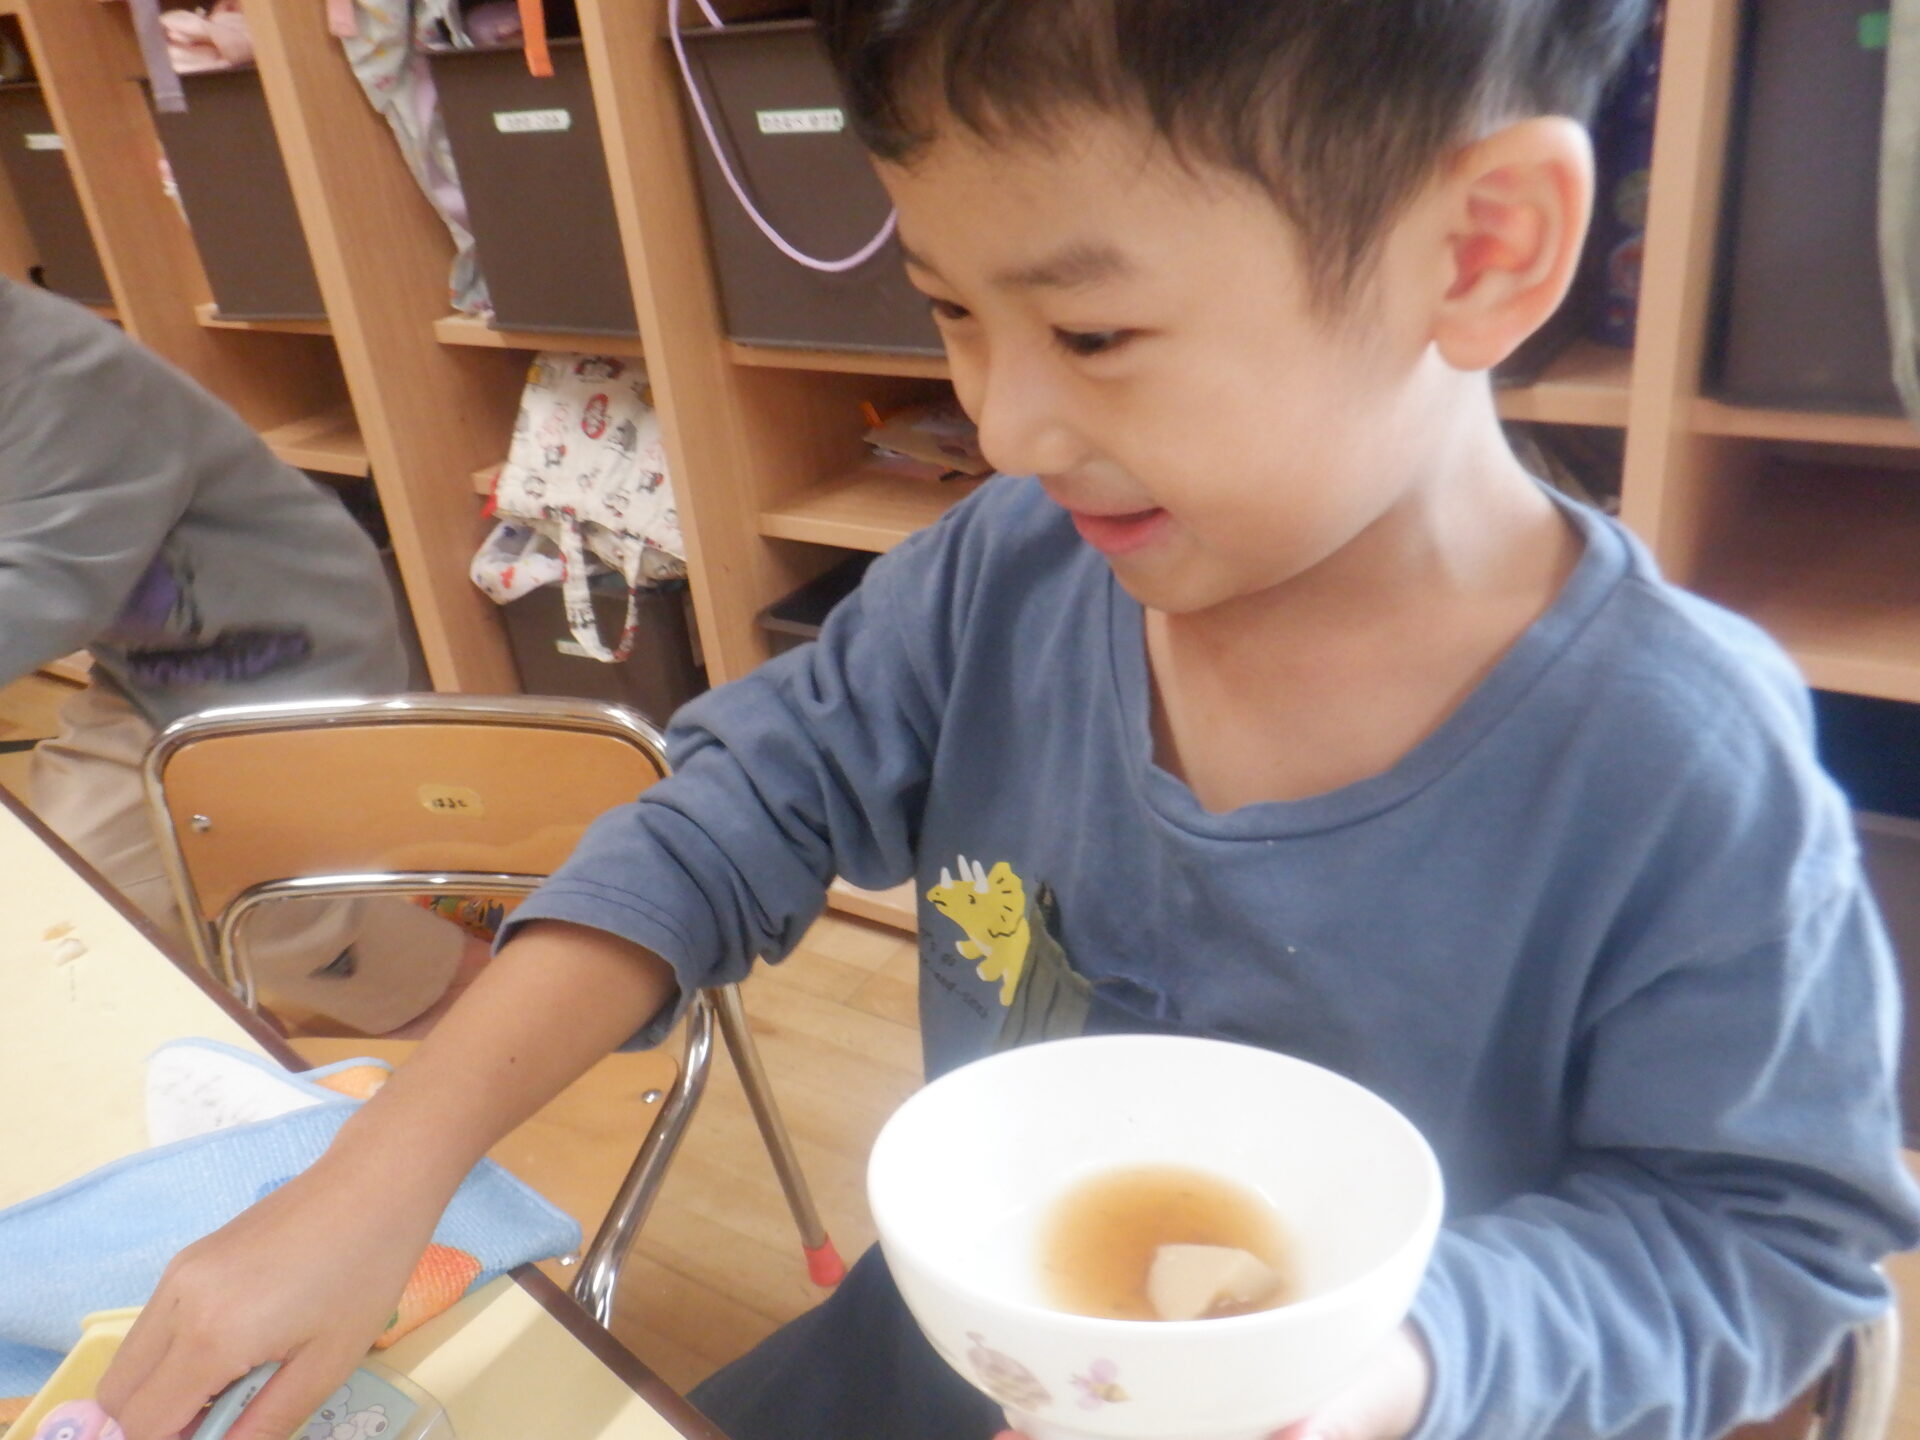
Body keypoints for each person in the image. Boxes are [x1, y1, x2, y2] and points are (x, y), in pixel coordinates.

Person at [98, 1, 1920, 1437]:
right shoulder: (1009, 575)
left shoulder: (1682, 766)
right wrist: (385, 1172)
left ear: (1481, 251)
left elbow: (1765, 1247)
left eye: (1095, 334)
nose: (1008, 423)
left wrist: (1387, 1370)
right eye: (952, 311)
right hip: (935, 1367)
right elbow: (723, 821)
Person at [0, 276, 472, 1037]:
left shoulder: (54, 369)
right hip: (156, 673)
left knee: (270, 893)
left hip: (293, 654)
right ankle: (230, 1013)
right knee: (77, 867)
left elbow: (50, 581)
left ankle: (454, 995)